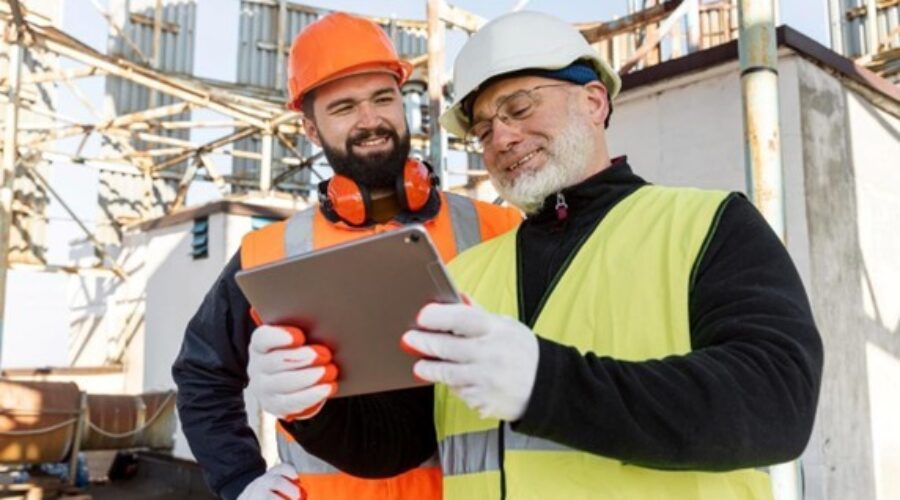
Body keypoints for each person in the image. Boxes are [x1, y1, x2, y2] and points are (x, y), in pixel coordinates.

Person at [279, 10, 824, 500]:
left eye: (518, 107)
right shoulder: (468, 271)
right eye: (484, 129)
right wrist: (313, 406)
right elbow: (402, 442)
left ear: (593, 100)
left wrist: (549, 384)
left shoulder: (708, 225)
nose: (503, 138)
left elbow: (777, 401)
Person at [171, 12, 521, 500]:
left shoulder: (498, 229)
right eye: (344, 107)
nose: (370, 119)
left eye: (384, 98)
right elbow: (201, 374)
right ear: (311, 129)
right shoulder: (269, 252)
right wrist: (240, 478)